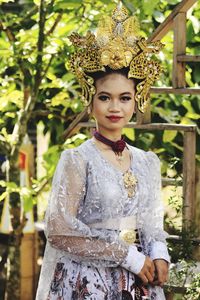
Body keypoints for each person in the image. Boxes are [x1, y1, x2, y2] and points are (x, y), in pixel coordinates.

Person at [36, 3, 170, 300]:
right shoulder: (77, 159)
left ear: (137, 101)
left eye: (124, 98)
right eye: (104, 97)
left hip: (140, 281)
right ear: (90, 100)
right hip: (88, 280)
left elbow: (152, 225)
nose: (114, 107)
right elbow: (58, 229)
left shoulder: (147, 162)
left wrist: (160, 255)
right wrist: (127, 256)